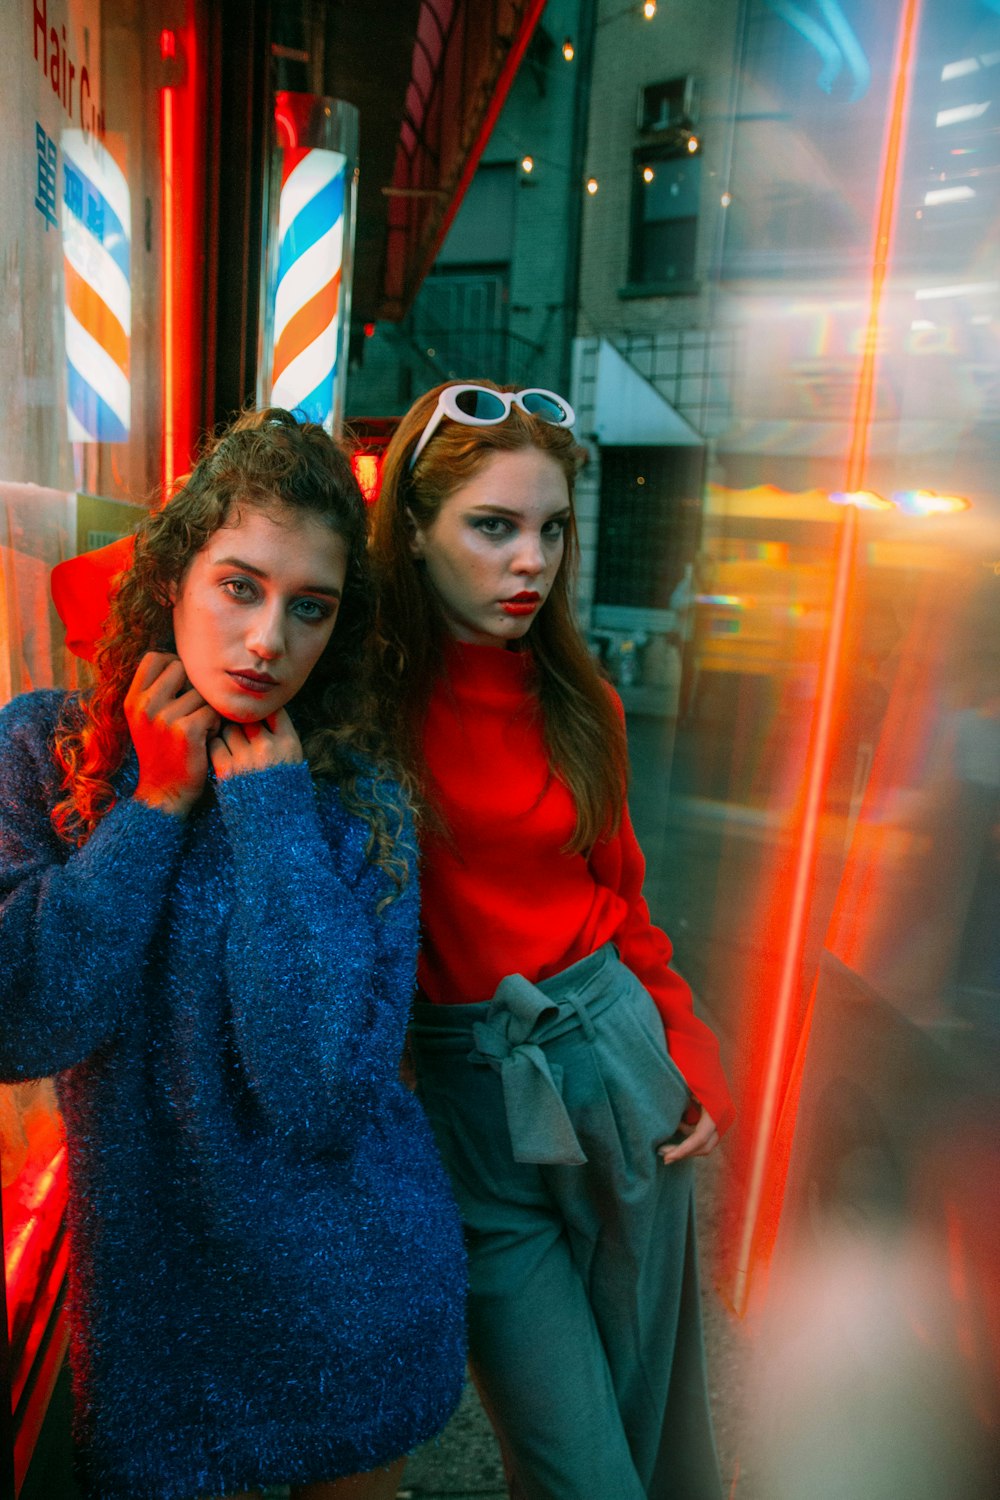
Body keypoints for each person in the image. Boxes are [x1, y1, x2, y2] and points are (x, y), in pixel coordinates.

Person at [0, 409, 466, 1500]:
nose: (269, 641)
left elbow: (315, 1093)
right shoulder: (40, 748)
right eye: (239, 587)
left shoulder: (358, 799)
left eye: (311, 608)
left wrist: (268, 810)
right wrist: (155, 804)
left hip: (353, 1306)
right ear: (172, 578)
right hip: (158, 1331)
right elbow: (24, 1018)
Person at [368, 381, 736, 1500]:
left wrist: (690, 1050)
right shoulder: (361, 704)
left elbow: (624, 903)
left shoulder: (585, 701)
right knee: (578, 1466)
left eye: (551, 528)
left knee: (653, 1426)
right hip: (468, 1099)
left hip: (615, 1064)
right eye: (492, 526)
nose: (531, 560)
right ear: (414, 534)